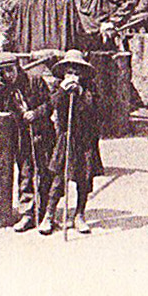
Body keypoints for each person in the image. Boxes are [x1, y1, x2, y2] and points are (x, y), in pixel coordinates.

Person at [0, 52, 55, 232]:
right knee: (26, 173)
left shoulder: (35, 81)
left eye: (10, 70)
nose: (8, 75)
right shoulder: (3, 87)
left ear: (17, 67)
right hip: (21, 136)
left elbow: (50, 104)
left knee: (45, 172)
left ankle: (46, 212)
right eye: (2, 72)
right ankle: (28, 213)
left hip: (42, 133)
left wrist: (36, 113)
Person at [42, 50, 100, 235]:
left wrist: (82, 93)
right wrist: (63, 91)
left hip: (86, 138)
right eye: (70, 72)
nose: (73, 76)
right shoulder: (58, 88)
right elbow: (52, 105)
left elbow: (97, 109)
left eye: (77, 72)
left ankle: (79, 215)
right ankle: (49, 216)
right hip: (66, 137)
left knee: (84, 179)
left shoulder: (90, 88)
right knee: (59, 178)